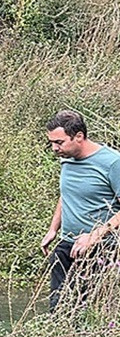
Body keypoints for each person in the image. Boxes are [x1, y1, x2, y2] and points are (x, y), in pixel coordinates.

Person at [39, 110, 120, 311]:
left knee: (87, 309)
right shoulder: (67, 157)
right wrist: (53, 229)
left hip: (102, 249)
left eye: (59, 142)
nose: (54, 148)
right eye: (51, 143)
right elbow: (67, 193)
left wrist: (94, 236)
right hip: (68, 244)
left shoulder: (112, 163)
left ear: (79, 137)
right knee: (57, 308)